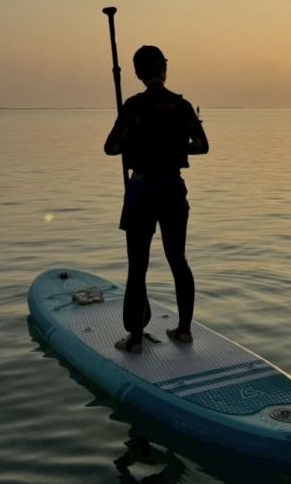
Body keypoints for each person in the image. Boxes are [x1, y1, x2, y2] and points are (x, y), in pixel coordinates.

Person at [104, 45, 209, 354]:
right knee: (178, 260)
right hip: (173, 190)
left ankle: (135, 339)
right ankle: (185, 331)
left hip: (141, 190)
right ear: (164, 68)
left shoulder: (133, 106)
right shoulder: (182, 105)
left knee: (138, 266)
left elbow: (110, 148)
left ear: (137, 73)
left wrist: (133, 142)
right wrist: (175, 150)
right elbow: (202, 146)